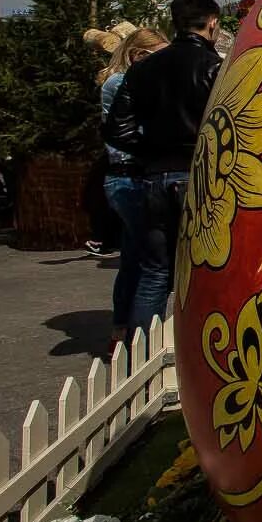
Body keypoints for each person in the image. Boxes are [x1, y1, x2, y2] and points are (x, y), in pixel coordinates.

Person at [104, 0, 223, 332]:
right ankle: (203, 346)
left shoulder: (143, 69)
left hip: (154, 177)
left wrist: (150, 151)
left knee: (154, 269)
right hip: (202, 176)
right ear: (212, 22)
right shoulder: (216, 68)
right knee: (206, 266)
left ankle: (139, 351)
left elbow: (117, 129)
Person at [97, 27, 168, 351]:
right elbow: (127, 133)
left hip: (128, 175)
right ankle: (138, 340)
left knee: (133, 258)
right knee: (152, 263)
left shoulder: (124, 82)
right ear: (139, 55)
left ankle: (121, 330)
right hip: (131, 176)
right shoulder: (122, 84)